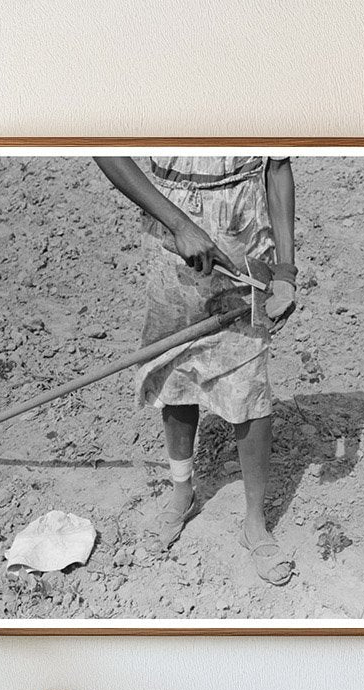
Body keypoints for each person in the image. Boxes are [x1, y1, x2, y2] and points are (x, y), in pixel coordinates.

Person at [94, 154, 297, 586]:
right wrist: (179, 224)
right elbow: (104, 148)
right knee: (176, 370)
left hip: (245, 235)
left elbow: (278, 169)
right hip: (173, 228)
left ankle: (254, 520)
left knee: (249, 377)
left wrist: (285, 269)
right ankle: (182, 493)